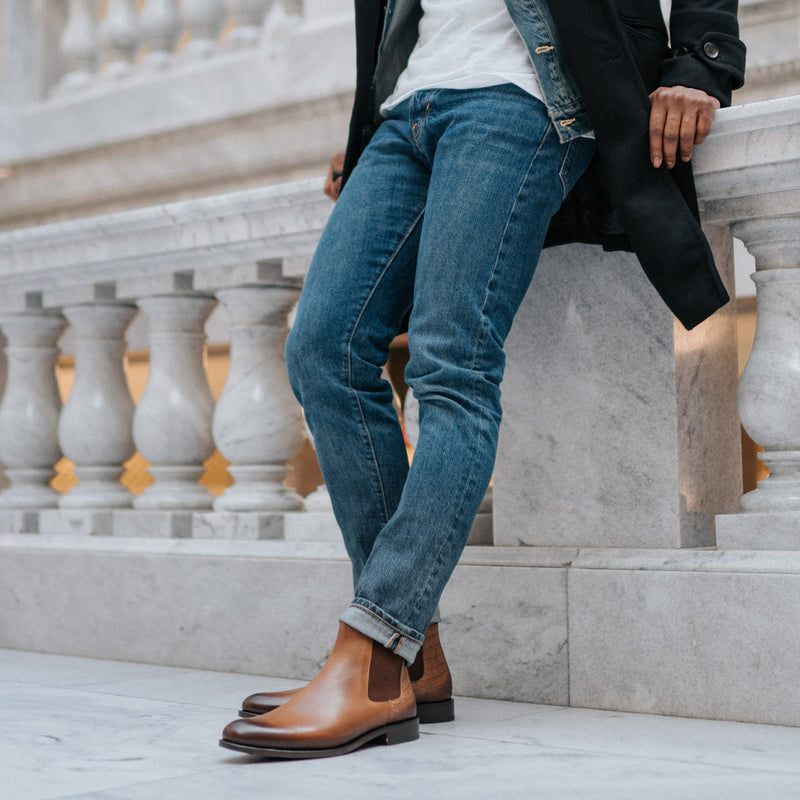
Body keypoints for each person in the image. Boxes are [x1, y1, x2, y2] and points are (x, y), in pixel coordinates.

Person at [220, 0, 745, 759]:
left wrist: (701, 61)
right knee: (322, 349)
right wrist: (363, 127)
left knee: (450, 362)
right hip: (408, 107)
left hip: (523, 96)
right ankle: (413, 657)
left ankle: (372, 653)